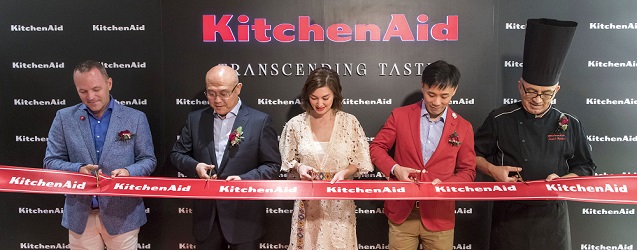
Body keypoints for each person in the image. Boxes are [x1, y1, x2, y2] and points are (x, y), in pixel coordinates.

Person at [474, 19, 596, 250]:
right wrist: (492, 170)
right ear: (520, 86)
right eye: (530, 91)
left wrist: (564, 181)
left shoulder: (569, 123)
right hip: (509, 218)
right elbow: (471, 155)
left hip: (552, 219)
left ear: (556, 90)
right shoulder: (499, 119)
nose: (538, 100)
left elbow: (585, 166)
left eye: (546, 94)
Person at [43, 60, 157, 249]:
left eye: (96, 89)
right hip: (80, 216)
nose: (91, 96)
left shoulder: (135, 118)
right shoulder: (63, 118)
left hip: (124, 216)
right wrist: (78, 169)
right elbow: (50, 162)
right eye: (83, 91)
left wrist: (128, 172)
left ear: (109, 83)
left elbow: (148, 160)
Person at [169, 65, 281, 249]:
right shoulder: (195, 119)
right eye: (211, 93)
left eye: (224, 93)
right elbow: (176, 154)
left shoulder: (259, 121)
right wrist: (195, 167)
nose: (217, 100)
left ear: (238, 88)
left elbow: (272, 165)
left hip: (245, 219)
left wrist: (243, 180)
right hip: (207, 219)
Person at [370, 60, 476, 249]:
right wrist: (395, 169)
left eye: (444, 96)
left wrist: (445, 187)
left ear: (454, 90)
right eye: (431, 94)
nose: (436, 102)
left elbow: (468, 170)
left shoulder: (463, 127)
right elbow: (376, 148)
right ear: (422, 86)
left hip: (440, 216)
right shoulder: (400, 115)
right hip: (402, 213)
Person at [279, 67, 374, 249]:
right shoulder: (295, 125)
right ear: (307, 96)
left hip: (340, 203)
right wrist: (299, 168)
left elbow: (361, 160)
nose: (319, 103)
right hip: (307, 204)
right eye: (314, 98)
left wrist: (346, 172)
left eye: (325, 98)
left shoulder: (350, 122)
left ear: (335, 95)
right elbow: (288, 160)